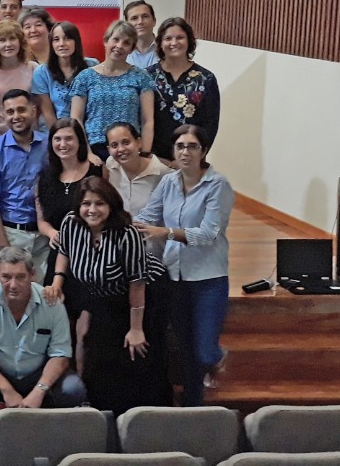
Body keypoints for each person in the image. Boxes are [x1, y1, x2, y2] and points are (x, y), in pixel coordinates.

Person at [45, 177, 168, 414]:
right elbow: (64, 252)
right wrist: (57, 282)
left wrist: (136, 328)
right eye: (86, 203)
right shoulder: (71, 222)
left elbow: (137, 283)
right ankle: (103, 416)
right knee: (99, 356)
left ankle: (142, 418)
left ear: (111, 205)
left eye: (99, 203)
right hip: (102, 296)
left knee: (136, 353)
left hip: (144, 298)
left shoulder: (127, 233)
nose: (92, 210)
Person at [134, 125, 234, 406]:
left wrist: (166, 233)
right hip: (175, 276)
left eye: (192, 146)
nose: (185, 152)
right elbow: (149, 215)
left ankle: (218, 357)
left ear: (203, 151)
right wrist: (121, 227)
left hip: (208, 278)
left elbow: (208, 233)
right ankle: (193, 406)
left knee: (204, 351)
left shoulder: (218, 185)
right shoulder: (168, 182)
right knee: (186, 351)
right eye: (180, 146)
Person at [0, 246, 86, 414]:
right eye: (6, 277)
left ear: (32, 275)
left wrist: (39, 390)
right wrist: (6, 389)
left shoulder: (51, 303)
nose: (13, 285)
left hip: (39, 373)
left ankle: (44, 422)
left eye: (20, 277)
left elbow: (60, 354)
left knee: (73, 389)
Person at [0, 90, 49, 284]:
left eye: (21, 110)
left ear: (33, 110)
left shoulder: (49, 144)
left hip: (44, 234)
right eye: (10, 112)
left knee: (43, 294)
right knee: (15, 292)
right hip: (13, 233)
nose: (16, 116)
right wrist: (4, 244)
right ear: (3, 115)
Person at [70, 20, 155, 161]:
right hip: (95, 151)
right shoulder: (85, 77)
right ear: (106, 41)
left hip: (129, 151)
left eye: (126, 43)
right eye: (115, 39)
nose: (119, 46)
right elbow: (76, 119)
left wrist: (144, 154)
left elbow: (147, 121)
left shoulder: (141, 77)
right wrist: (87, 153)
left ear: (131, 49)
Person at [147, 17, 220, 163]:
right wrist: (149, 156)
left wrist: (192, 157)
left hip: (191, 160)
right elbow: (139, 119)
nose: (174, 43)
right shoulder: (146, 76)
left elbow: (210, 124)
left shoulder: (206, 79)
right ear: (160, 43)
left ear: (189, 41)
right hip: (153, 160)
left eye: (180, 37)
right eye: (168, 38)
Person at [35, 119, 101, 280]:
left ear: (80, 141)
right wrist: (52, 233)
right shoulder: (44, 177)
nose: (63, 144)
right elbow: (41, 221)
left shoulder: (97, 171)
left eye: (69, 138)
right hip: (59, 250)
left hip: (92, 250)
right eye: (57, 139)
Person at [103, 122, 171, 250]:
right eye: (114, 145)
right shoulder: (111, 166)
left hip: (153, 251)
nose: (121, 149)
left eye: (126, 142)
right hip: (119, 249)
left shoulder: (163, 174)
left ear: (139, 142)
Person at [33, 21, 98, 125]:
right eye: (56, 39)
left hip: (89, 128)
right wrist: (59, 134)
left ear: (76, 41)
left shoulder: (92, 65)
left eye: (67, 38)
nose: (62, 44)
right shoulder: (41, 72)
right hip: (57, 129)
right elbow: (48, 114)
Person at [0, 19, 37, 137]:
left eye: (12, 38)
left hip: (31, 136)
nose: (8, 44)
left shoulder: (34, 68)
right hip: (0, 138)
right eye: (2, 40)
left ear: (20, 42)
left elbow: (40, 107)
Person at [124, 0, 159, 70]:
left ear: (154, 21)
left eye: (145, 16)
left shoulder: (166, 49)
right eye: (134, 18)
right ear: (127, 25)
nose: (140, 22)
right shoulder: (121, 51)